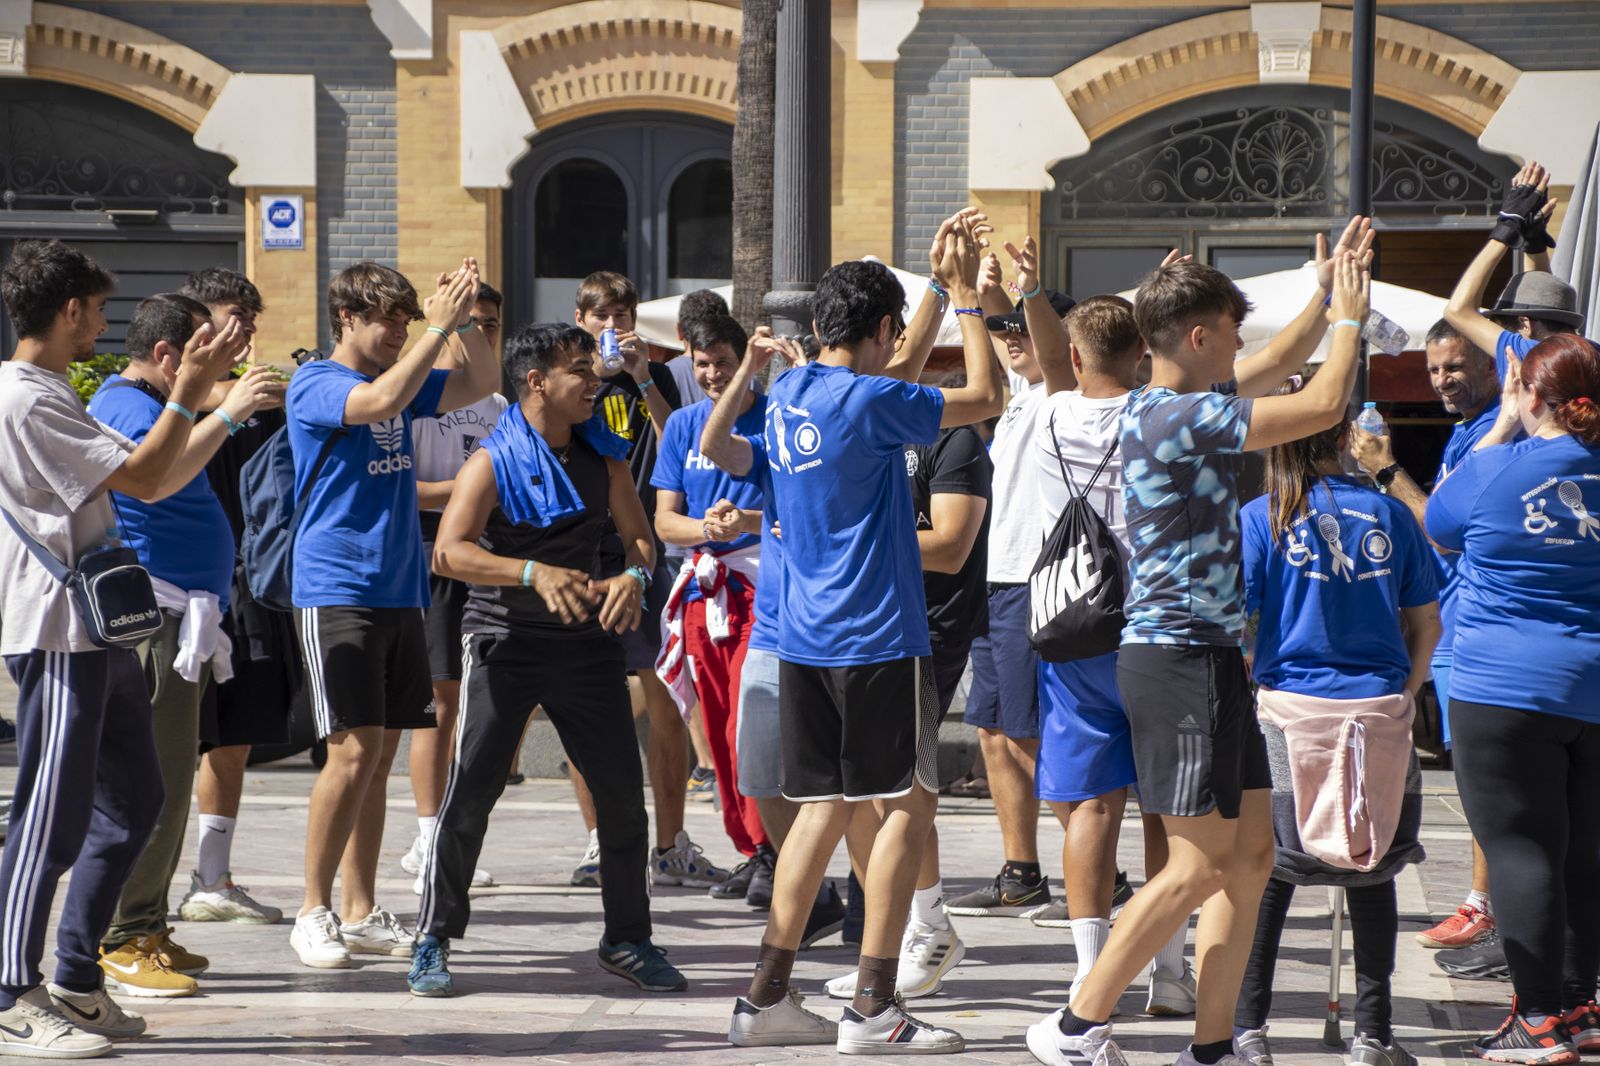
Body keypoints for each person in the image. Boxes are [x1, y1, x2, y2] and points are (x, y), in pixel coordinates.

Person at [1027, 229, 1375, 1066]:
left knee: (1251, 857)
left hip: (1211, 657)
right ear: (1196, 337)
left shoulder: (1181, 398)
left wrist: (1324, 294)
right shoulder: (1182, 417)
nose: (1240, 346)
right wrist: (1353, 323)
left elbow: (1274, 363)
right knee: (1193, 865)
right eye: (1229, 331)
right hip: (1173, 657)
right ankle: (1074, 1027)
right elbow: (1325, 402)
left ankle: (1212, 1049)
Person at [726, 212, 1003, 1055]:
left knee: (819, 811)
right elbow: (984, 397)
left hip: (804, 640)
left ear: (818, 327)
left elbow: (890, 378)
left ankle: (765, 997)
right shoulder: (873, 399)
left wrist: (919, 302)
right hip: (878, 640)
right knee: (905, 816)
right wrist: (963, 302)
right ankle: (874, 1007)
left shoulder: (792, 395)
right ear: (879, 329)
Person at [0, 239, 242, 1056]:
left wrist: (202, 402)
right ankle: (8, 989)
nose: (103, 324)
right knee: (48, 820)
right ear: (69, 310)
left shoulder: (51, 392)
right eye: (98, 310)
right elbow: (141, 478)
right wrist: (199, 393)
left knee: (135, 800)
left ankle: (73, 976)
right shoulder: (29, 397)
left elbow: (149, 475)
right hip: (58, 633)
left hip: (96, 634)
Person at [409, 322, 685, 998]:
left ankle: (627, 939)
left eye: (594, 368)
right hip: (506, 645)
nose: (595, 380)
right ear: (536, 382)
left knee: (623, 801)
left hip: (588, 649)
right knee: (471, 794)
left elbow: (639, 539)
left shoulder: (606, 458)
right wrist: (533, 573)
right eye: (578, 370)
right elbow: (450, 552)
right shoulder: (491, 462)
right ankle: (434, 938)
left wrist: (633, 580)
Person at [286, 259, 499, 969]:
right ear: (344, 317)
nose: (399, 330)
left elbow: (480, 384)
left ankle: (358, 907)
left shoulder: (403, 377)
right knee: (348, 753)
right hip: (337, 586)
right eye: (387, 318)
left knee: (375, 757)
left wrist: (468, 317)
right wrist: (435, 330)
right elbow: (377, 404)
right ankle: (312, 909)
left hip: (397, 586)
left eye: (406, 317)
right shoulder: (318, 382)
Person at [1234, 398, 1441, 1066]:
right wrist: (1404, 694)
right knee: (1374, 866)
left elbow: (1241, 622)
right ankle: (1373, 1036)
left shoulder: (1260, 517)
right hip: (1380, 709)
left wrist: (1257, 686)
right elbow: (1427, 624)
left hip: (1288, 711)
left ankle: (1249, 1030)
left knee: (1270, 871)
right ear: (1346, 438)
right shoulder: (1388, 514)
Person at [87, 293, 284, 996]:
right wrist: (225, 414)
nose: (215, 368)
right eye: (203, 354)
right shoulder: (124, 405)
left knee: (166, 782)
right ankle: (122, 937)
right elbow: (157, 481)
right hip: (155, 620)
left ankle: (146, 924)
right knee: (151, 786)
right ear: (168, 355)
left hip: (180, 619)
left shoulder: (154, 403)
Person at [1426, 334, 1600, 1065]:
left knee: (1522, 850)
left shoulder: (1494, 465)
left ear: (1530, 394)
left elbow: (1439, 525)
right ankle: (1579, 1004)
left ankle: (1537, 1018)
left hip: (1500, 687)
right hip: (1591, 686)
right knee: (1586, 853)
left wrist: (1500, 424)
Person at [1025, 285, 1194, 1013]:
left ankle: (1090, 973)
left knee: (1092, 809)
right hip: (1154, 631)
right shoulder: (1160, 414)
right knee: (1164, 809)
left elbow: (1055, 365)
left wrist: (1027, 293)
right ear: (1144, 356)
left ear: (1070, 356)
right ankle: (1169, 970)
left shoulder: (1046, 413)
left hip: (1075, 629)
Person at [1347, 319, 1507, 955]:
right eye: (1434, 369)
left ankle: (1490, 907)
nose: (1440, 380)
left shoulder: (1500, 434)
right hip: (1454, 623)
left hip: (1478, 629)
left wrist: (1387, 473)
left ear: (1495, 366)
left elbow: (1445, 531)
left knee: (1487, 780)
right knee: (1474, 778)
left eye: (1454, 367)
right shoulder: (1466, 431)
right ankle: (1483, 904)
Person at [565, 272, 724, 891]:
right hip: (584, 550)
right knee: (586, 698)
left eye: (622, 315)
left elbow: (679, 446)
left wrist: (641, 379)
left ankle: (669, 843)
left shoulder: (656, 376)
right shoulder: (562, 374)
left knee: (666, 697)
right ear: (581, 318)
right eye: (601, 316)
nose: (612, 326)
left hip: (647, 553)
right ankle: (600, 840)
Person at [943, 268, 1074, 921]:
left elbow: (1037, 342)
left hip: (1036, 581)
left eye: (1026, 328)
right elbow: (1000, 333)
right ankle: (1021, 870)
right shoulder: (1019, 392)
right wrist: (974, 284)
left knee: (1029, 735)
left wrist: (1017, 296)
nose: (1011, 337)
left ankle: (1096, 868)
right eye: (1006, 330)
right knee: (992, 732)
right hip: (996, 582)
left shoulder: (1062, 394)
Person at [181, 268, 294, 928]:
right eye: (231, 316)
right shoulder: (173, 396)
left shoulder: (257, 399)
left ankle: (211, 877)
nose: (243, 330)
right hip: (182, 591)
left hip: (249, 585)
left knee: (235, 738)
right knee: (170, 743)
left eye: (250, 320)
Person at [651, 313, 772, 886]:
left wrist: (741, 522)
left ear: (744, 358)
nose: (713, 374)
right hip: (703, 585)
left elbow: (791, 507)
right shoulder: (680, 426)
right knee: (717, 720)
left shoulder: (774, 416)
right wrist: (706, 529)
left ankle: (773, 845)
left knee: (751, 718)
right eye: (702, 364)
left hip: (762, 585)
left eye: (723, 361)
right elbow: (665, 521)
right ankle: (749, 848)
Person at [402, 281, 508, 895]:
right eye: (470, 322)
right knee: (437, 703)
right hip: (429, 558)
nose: (481, 332)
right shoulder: (415, 395)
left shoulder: (495, 404)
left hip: (484, 557)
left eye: (491, 324)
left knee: (473, 699)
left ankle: (453, 828)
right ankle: (427, 835)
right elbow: (400, 488)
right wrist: (467, 492)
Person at [667, 288, 726, 406]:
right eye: (702, 364)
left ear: (679, 331)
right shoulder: (746, 378)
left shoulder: (662, 375)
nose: (712, 374)